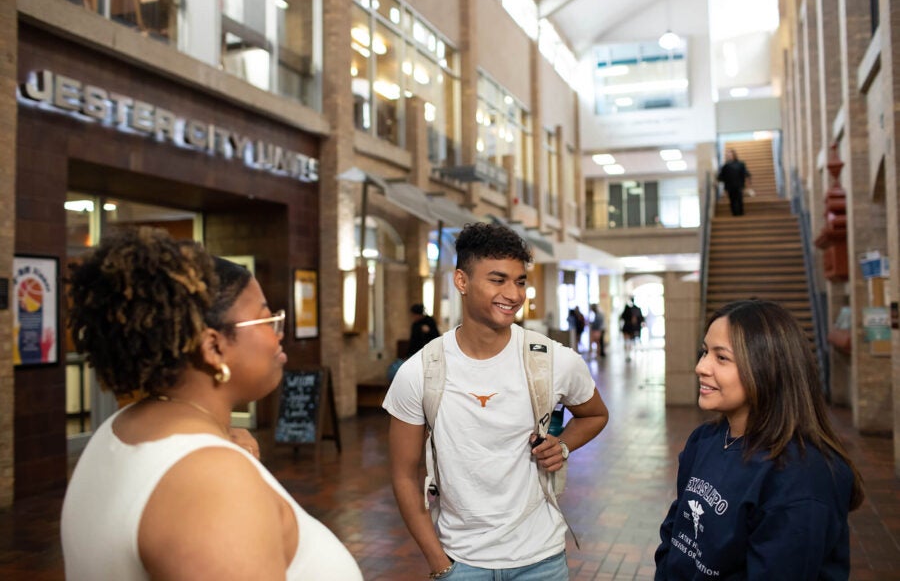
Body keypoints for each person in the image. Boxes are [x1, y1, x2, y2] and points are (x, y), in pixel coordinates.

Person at [61, 227, 362, 580]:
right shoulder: (212, 485)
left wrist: (220, 446)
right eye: (267, 318)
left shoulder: (118, 430)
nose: (278, 333)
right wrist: (222, 468)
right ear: (213, 346)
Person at [383, 222, 609, 579]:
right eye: (497, 279)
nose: (514, 294)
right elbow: (404, 475)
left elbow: (595, 414)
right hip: (461, 561)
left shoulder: (553, 360)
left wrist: (561, 446)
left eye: (520, 281)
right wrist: (440, 564)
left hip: (542, 560)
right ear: (461, 281)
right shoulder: (421, 372)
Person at [654, 300, 864, 579]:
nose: (701, 367)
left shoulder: (801, 476)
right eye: (705, 352)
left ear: (767, 367)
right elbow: (674, 532)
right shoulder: (704, 440)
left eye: (721, 358)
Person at [717, 148, 752, 216]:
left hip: (739, 185)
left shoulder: (740, 164)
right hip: (730, 186)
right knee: (732, 200)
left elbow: (745, 173)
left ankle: (740, 213)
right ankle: (734, 214)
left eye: (730, 154)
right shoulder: (725, 166)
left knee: (739, 199)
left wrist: (748, 183)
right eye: (728, 155)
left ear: (734, 155)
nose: (729, 156)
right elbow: (721, 177)